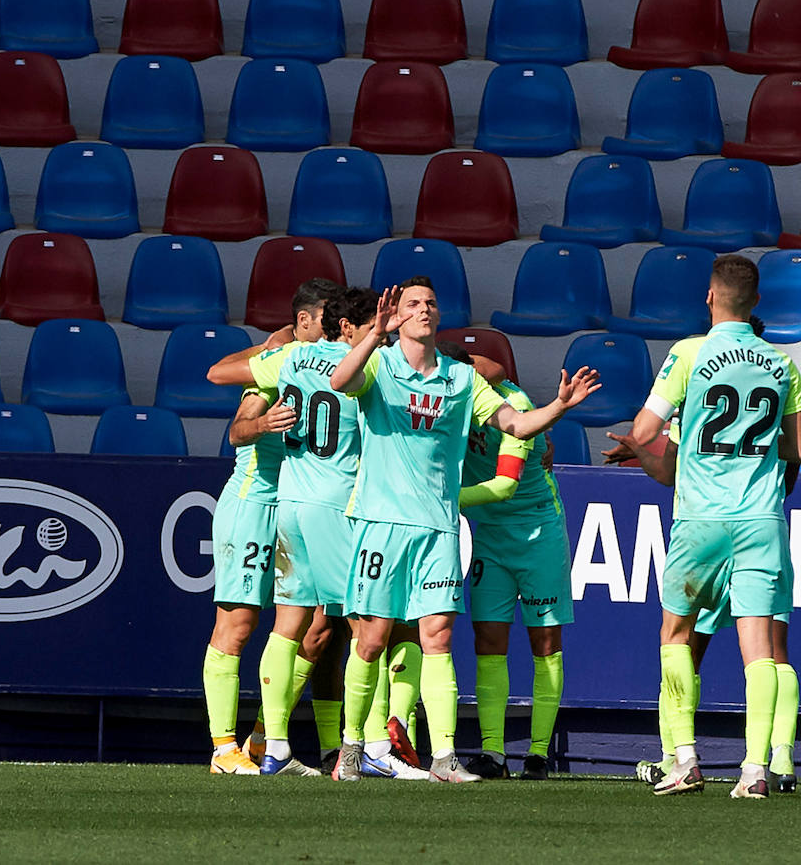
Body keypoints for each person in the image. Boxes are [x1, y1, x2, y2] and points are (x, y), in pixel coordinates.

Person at [329, 278, 601, 783]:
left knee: (439, 636)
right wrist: (374, 335)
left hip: (438, 527)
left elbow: (515, 425)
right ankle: (350, 748)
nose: (423, 309)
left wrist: (560, 407)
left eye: (430, 303)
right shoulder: (379, 365)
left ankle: (444, 756)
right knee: (370, 639)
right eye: (413, 303)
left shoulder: (459, 379)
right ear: (399, 315)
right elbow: (340, 383)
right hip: (382, 523)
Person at [607, 255, 801, 800]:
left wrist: (668, 433)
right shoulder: (781, 363)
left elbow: (646, 427)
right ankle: (755, 770)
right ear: (756, 302)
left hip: (700, 516)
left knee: (675, 635)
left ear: (710, 297)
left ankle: (686, 760)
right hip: (760, 517)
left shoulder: (690, 354)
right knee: (761, 646)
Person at [246, 285, 431, 780]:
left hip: (291, 501)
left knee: (289, 625)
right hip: (339, 507)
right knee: (367, 630)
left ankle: (276, 748)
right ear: (349, 327)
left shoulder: (291, 358)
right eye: (377, 325)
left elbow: (232, 371)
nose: (384, 334)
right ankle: (371, 748)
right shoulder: (365, 372)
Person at [200, 278, 340, 776]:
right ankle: (222, 749)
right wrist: (261, 425)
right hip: (255, 503)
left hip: (303, 508)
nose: (333, 333)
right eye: (326, 321)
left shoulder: (339, 373)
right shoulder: (276, 367)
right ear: (303, 321)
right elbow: (237, 430)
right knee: (237, 626)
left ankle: (264, 740)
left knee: (314, 626)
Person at [438, 342, 571, 782]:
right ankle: (493, 753)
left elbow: (504, 486)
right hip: (490, 538)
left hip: (537, 533)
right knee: (488, 643)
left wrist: (437, 501)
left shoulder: (513, 405)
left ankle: (537, 755)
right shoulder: (449, 402)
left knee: (545, 645)